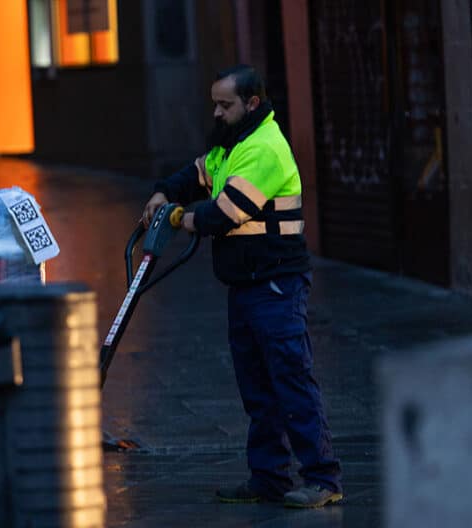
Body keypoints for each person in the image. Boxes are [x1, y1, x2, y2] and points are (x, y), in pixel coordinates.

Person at [142, 64, 342, 508]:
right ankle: (268, 477)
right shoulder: (231, 147)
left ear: (252, 104)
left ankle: (323, 479)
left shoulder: (265, 149)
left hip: (276, 285)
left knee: (291, 380)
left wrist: (175, 217)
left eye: (225, 104)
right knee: (257, 388)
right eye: (214, 103)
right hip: (246, 284)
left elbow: (223, 214)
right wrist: (163, 192)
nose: (216, 112)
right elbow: (195, 174)